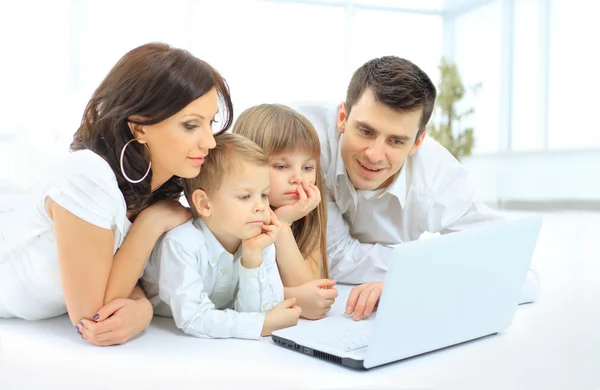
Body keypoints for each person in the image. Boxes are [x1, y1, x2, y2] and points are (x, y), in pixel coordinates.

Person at [0, 42, 233, 346]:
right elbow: (93, 314)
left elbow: (111, 274)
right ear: (138, 127)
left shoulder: (154, 192)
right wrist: (150, 227)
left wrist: (139, 304)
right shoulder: (88, 176)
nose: (209, 142)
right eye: (190, 126)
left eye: (210, 123)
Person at [290, 56, 540, 321]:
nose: (375, 155)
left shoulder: (437, 178)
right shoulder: (300, 137)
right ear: (342, 117)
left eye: (396, 141)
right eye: (365, 131)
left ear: (418, 142)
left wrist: (411, 281)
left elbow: (522, 276)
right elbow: (332, 255)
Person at [140, 133, 302, 339]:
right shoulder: (182, 243)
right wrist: (262, 324)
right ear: (205, 204)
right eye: (245, 196)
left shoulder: (259, 241)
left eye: (264, 194)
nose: (261, 207)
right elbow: (193, 318)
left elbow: (259, 314)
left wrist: (252, 258)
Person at [233, 104, 338, 320]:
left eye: (308, 168)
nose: (299, 178)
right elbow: (227, 295)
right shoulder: (233, 219)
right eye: (282, 166)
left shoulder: (301, 215)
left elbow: (311, 293)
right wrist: (290, 296)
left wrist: (283, 225)